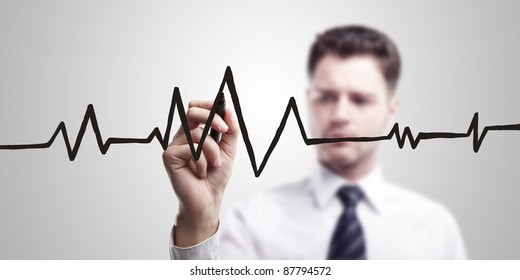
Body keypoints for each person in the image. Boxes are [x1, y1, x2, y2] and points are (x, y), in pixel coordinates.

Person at [162, 25, 467, 259]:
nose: (340, 115)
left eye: (360, 100)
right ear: (308, 103)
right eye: (326, 97)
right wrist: (199, 220)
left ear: (390, 111)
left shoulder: (436, 229)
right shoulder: (252, 221)